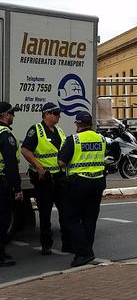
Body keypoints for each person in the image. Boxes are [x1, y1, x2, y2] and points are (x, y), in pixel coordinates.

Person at [57, 111, 106, 267]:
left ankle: (84, 253)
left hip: (79, 183)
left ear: (77, 124)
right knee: (90, 219)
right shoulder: (101, 138)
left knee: (71, 218)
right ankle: (85, 251)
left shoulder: (74, 140)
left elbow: (61, 162)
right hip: (98, 182)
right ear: (90, 124)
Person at [21, 102, 69, 255]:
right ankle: (46, 244)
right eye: (56, 113)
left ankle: (67, 243)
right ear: (46, 114)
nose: (59, 116)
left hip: (59, 177)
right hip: (44, 178)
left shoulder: (59, 130)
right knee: (45, 212)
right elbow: (25, 150)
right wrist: (39, 167)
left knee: (65, 211)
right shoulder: (36, 130)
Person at [0, 102, 23, 267]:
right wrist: (17, 187)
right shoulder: (6, 135)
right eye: (12, 113)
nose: (13, 116)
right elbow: (10, 164)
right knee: (2, 220)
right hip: (2, 184)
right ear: (5, 115)